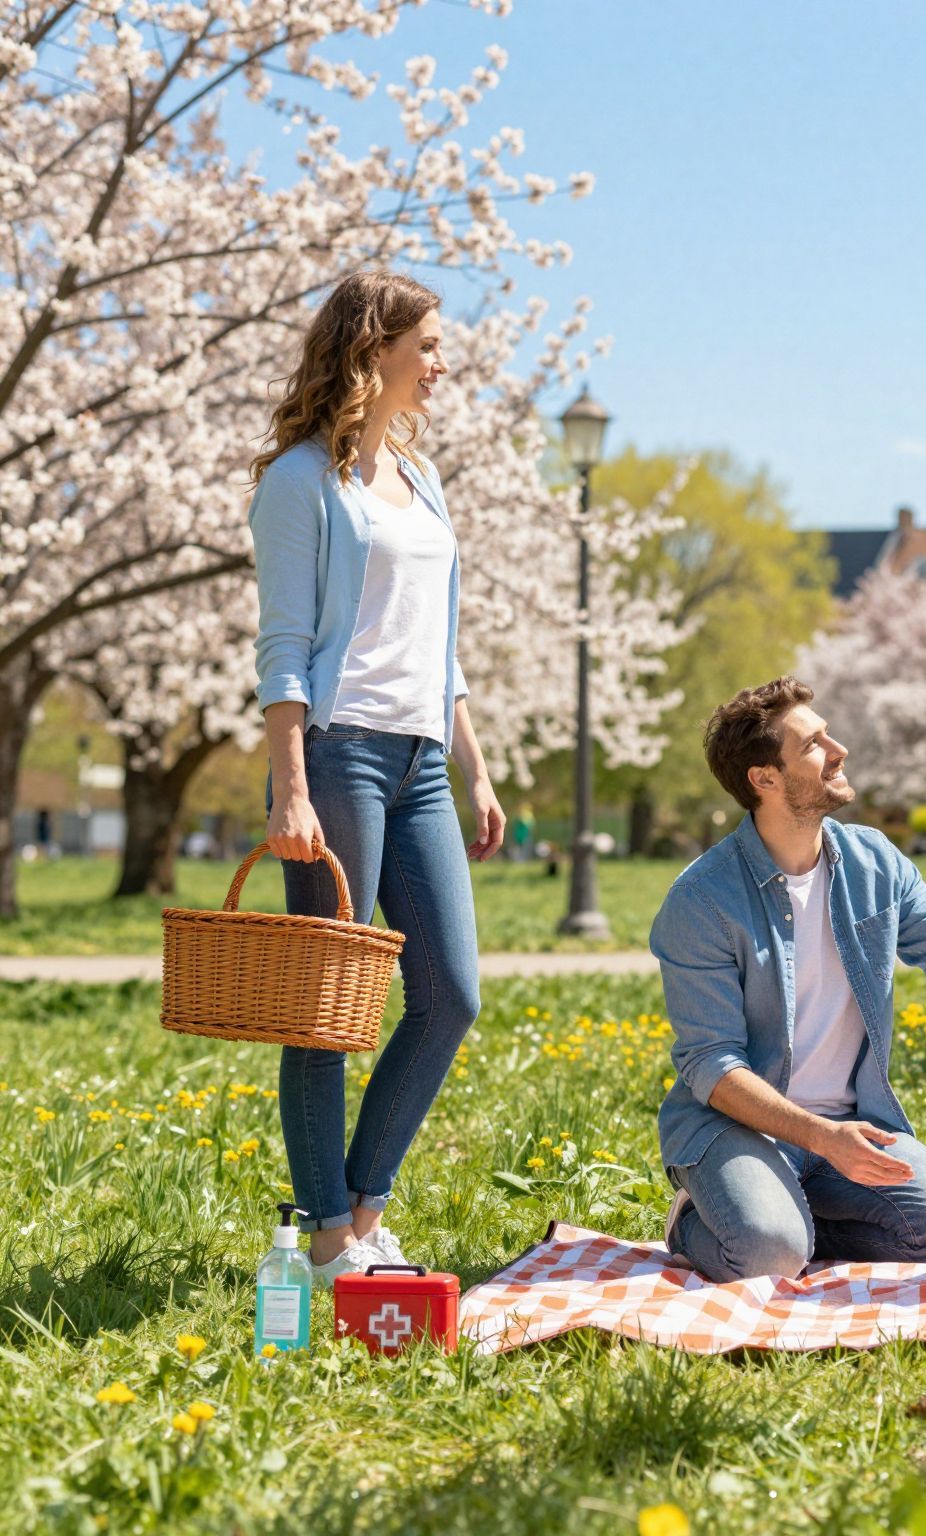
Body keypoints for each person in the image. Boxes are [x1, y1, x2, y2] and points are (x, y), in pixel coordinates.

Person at [651, 676, 926, 1282]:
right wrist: (822, 1137)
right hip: (738, 1129)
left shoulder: (874, 862)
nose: (839, 751)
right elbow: (713, 1066)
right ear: (764, 778)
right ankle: (696, 1221)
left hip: (853, 1127)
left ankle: (797, 1223)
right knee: (767, 1255)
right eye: (814, 744)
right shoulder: (701, 900)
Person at [248, 269, 504, 1286]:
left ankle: (362, 1209)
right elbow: (283, 645)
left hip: (421, 760)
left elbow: (438, 648)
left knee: (450, 994)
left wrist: (475, 768)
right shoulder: (301, 481)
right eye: (426, 345)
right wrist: (291, 785)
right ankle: (326, 1239)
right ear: (373, 348)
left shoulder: (421, 477)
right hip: (337, 753)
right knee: (328, 1004)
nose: (440, 363)